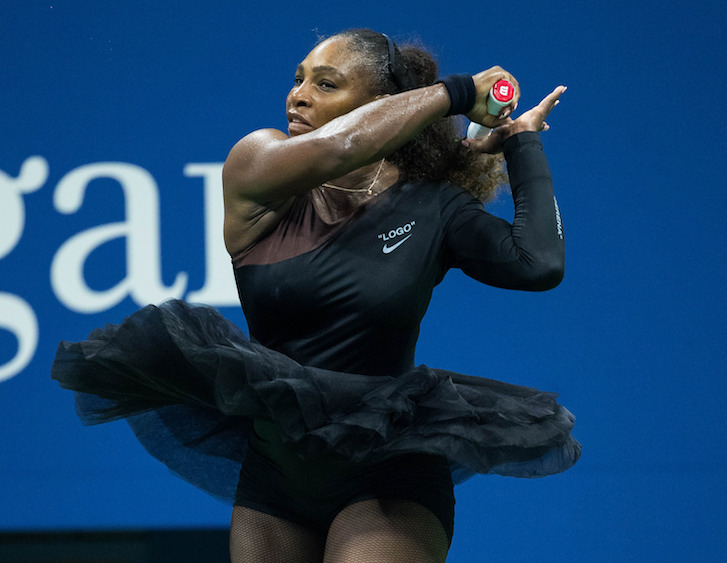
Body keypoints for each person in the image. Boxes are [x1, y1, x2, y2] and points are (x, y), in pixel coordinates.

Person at [52, 28, 580, 563]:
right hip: (274, 477)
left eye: (326, 84)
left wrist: (522, 143)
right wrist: (460, 92)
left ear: (381, 105)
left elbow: (538, 264)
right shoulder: (257, 164)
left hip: (390, 475)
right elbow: (339, 147)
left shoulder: (434, 207)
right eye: (298, 78)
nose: (299, 94)